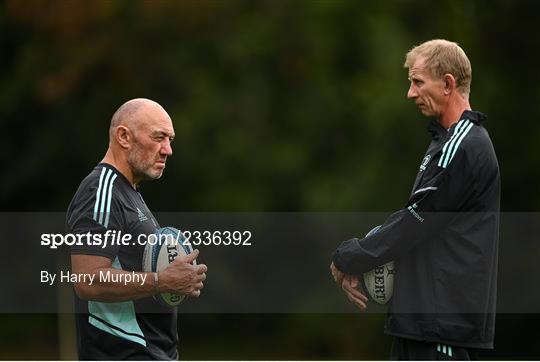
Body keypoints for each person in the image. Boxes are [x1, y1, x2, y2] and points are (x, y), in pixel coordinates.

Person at [331, 39, 500, 360]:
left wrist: (350, 256)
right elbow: (417, 220)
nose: (410, 93)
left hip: (441, 328)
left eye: (417, 82)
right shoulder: (444, 142)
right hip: (423, 325)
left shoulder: (463, 145)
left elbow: (415, 221)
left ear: (448, 83)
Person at [66, 98, 208, 360]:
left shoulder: (130, 193)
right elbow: (87, 279)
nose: (168, 149)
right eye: (159, 137)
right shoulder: (100, 191)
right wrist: (162, 281)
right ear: (123, 137)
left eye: (170, 139)